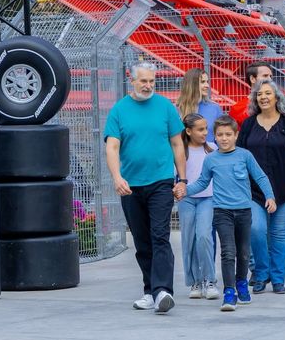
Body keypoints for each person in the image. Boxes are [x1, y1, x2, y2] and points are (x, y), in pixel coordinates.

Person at [104, 62, 187, 314]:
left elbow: (177, 144)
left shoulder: (165, 107)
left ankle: (163, 291)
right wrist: (117, 177)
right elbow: (112, 147)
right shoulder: (119, 110)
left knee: (160, 235)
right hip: (131, 186)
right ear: (131, 80)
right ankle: (150, 290)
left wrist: (182, 179)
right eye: (143, 81)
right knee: (141, 240)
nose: (148, 85)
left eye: (152, 81)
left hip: (161, 181)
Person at [186, 115, 276, 312]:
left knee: (243, 252)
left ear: (236, 135)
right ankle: (229, 292)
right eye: (220, 135)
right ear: (215, 136)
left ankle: (241, 283)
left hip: (244, 211)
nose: (224, 138)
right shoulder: (211, 159)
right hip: (222, 212)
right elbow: (202, 182)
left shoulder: (245, 156)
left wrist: (270, 196)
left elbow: (260, 177)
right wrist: (184, 190)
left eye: (228, 134)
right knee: (228, 252)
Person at [237, 80, 285, 294]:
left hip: (284, 189)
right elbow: (239, 155)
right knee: (256, 229)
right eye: (259, 94)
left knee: (279, 234)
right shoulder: (248, 124)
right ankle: (261, 273)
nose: (263, 97)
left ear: (277, 97)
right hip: (254, 191)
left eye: (268, 93)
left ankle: (278, 279)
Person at [176, 112, 219, 300]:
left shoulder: (213, 149)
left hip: (207, 199)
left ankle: (210, 280)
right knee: (189, 240)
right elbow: (175, 176)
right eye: (200, 129)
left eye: (206, 129)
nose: (205, 133)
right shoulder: (180, 151)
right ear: (188, 131)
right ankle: (195, 281)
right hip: (186, 200)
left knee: (203, 236)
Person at [177, 68, 222, 142]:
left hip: (210, 149)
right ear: (192, 84)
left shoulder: (215, 108)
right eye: (203, 82)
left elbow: (221, 136)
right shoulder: (176, 109)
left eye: (207, 82)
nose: (207, 85)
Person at [228, 61, 273, 127]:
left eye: (271, 76)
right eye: (265, 76)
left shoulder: (279, 104)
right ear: (252, 79)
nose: (270, 79)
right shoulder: (237, 109)